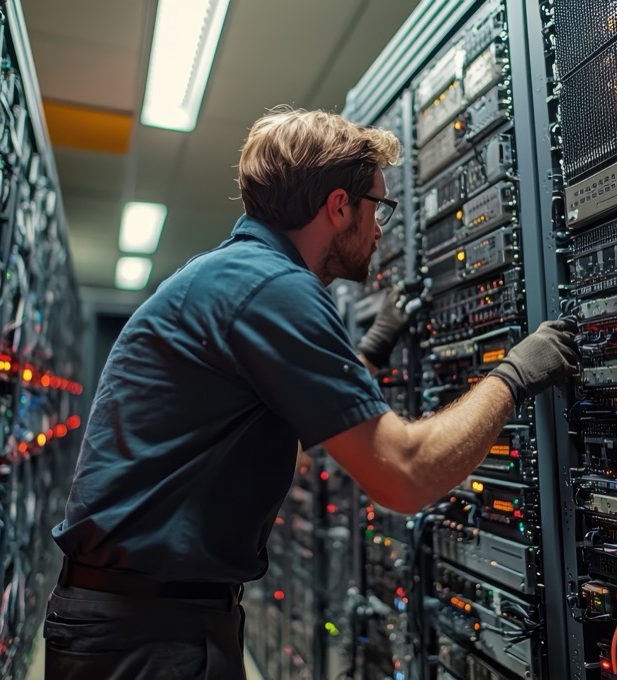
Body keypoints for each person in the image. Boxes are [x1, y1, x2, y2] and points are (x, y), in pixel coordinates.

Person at [43, 108, 578, 680]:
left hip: (140, 619)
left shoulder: (236, 274)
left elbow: (297, 430)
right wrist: (513, 376)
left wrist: (370, 350)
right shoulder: (274, 287)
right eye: (379, 207)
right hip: (150, 634)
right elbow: (405, 474)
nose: (381, 229)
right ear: (339, 206)